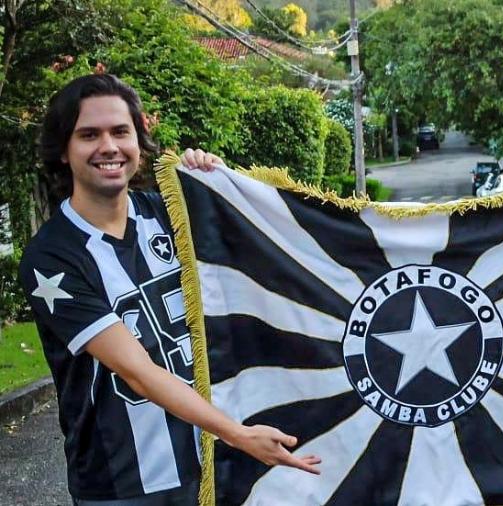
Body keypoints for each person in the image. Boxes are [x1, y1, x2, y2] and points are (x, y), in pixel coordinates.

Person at [18, 73, 321, 505]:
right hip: (121, 484)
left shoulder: (173, 215)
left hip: (209, 466)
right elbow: (136, 372)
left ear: (139, 142)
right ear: (64, 151)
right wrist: (237, 434)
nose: (108, 147)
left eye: (121, 132)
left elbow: (259, 262)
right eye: (89, 135)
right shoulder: (51, 259)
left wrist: (215, 183)